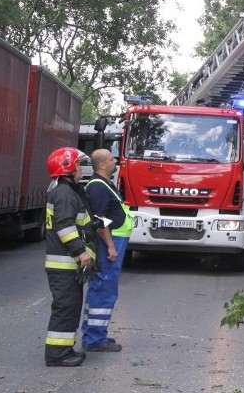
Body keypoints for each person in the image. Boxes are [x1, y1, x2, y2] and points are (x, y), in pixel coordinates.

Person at [44, 147, 95, 367]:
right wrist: (80, 251)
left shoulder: (65, 192)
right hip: (64, 263)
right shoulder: (65, 194)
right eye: (78, 165)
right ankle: (57, 355)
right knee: (65, 307)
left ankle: (65, 349)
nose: (81, 169)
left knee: (70, 306)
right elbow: (65, 226)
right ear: (67, 168)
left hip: (65, 263)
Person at [81, 148, 133, 353]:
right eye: (111, 159)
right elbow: (99, 219)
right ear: (102, 165)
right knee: (104, 288)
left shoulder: (103, 184)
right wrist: (111, 245)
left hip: (113, 240)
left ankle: (95, 333)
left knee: (103, 288)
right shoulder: (98, 186)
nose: (115, 161)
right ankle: (95, 340)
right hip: (109, 242)